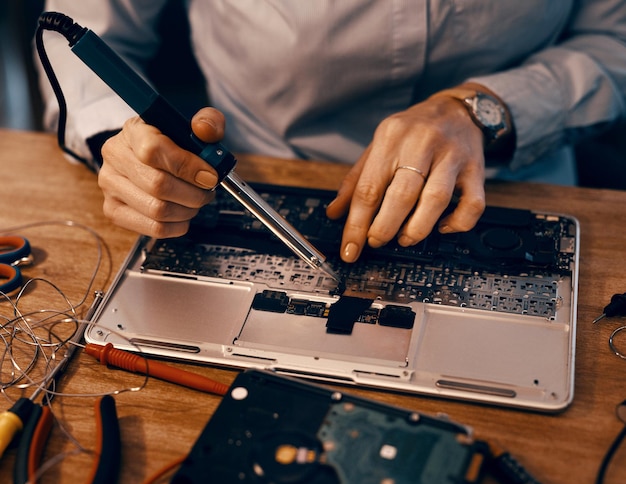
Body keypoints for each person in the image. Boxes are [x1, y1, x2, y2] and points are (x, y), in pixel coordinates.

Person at [39, 1, 626, 263]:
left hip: (512, 180)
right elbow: (96, 28)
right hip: (257, 183)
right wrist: (119, 144)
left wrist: (482, 110)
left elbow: (615, 40)